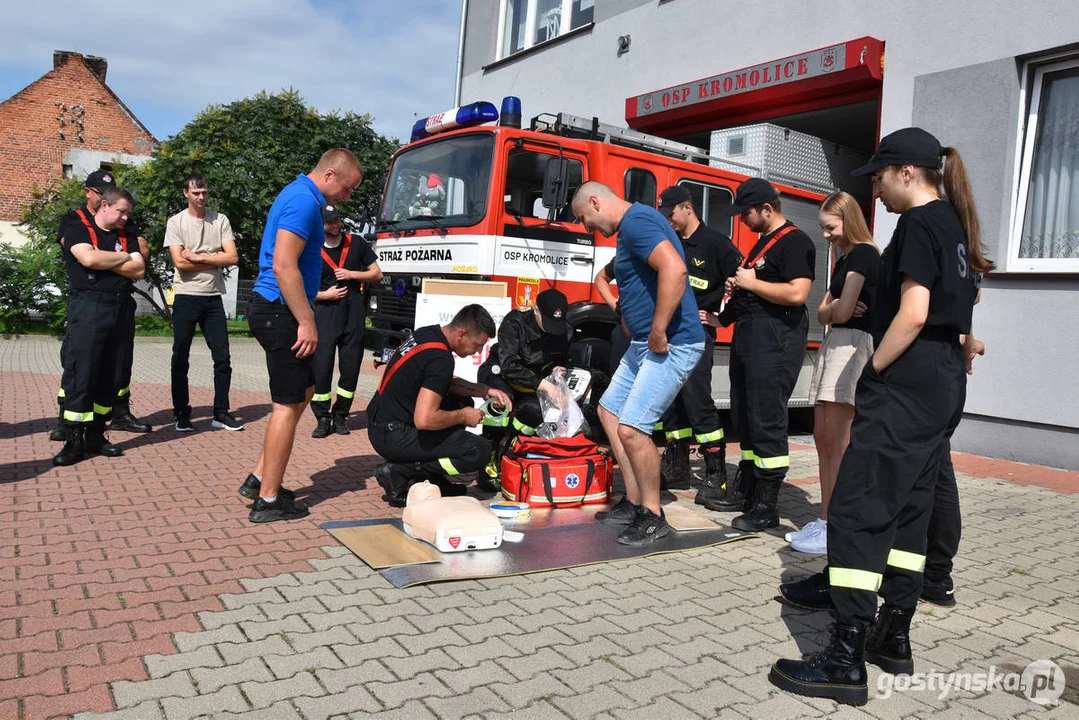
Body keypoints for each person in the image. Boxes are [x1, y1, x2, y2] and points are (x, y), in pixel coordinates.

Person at [769, 128, 993, 706]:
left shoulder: (920, 224)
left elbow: (914, 313)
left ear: (908, 173)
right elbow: (962, 312)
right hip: (941, 383)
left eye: (880, 177)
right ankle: (893, 634)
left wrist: (875, 374)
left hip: (909, 380)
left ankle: (844, 657)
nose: (876, 189)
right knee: (909, 510)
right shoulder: (956, 225)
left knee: (859, 509)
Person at [571, 181, 704, 546]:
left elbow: (674, 270)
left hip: (671, 343)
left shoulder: (638, 222)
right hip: (644, 343)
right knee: (609, 413)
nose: (588, 228)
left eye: (585, 219)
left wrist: (659, 328)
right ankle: (632, 503)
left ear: (595, 201)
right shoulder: (630, 227)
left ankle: (652, 514)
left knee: (632, 428)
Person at [236, 149, 364, 523]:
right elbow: (283, 264)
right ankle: (268, 500)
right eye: (347, 187)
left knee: (304, 393)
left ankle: (259, 478)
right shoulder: (304, 202)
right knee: (287, 405)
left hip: (280, 309)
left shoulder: (300, 196)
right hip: (280, 310)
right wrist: (306, 321)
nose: (347, 196)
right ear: (329, 174)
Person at [702, 179, 815, 533]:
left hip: (775, 341)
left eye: (747, 214)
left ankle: (767, 505)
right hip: (749, 338)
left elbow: (797, 293)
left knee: (766, 418)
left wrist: (751, 283)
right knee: (745, 415)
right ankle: (748, 492)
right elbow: (748, 293)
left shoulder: (796, 242)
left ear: (767, 209)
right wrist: (723, 315)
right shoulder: (758, 246)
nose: (744, 221)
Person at [786, 191, 879, 555]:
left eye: (830, 227)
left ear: (849, 219)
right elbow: (824, 311)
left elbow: (835, 313)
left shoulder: (864, 254)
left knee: (838, 442)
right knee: (824, 439)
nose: (825, 234)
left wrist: (835, 308)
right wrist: (835, 307)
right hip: (836, 344)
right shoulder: (844, 259)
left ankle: (836, 525)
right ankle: (826, 519)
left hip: (853, 346)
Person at [367, 305, 512, 507]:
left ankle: (431, 478)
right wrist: (464, 416)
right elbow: (424, 419)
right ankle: (400, 472)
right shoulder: (440, 358)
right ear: (462, 334)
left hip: (380, 422)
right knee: (478, 451)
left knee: (462, 401)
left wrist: (484, 390)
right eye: (478, 345)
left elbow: (440, 382)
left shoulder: (428, 334)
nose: (478, 351)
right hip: (393, 434)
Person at [50, 170, 152, 441]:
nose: (102, 196)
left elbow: (141, 260)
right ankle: (67, 424)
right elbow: (87, 259)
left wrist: (103, 259)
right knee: (80, 367)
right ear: (89, 193)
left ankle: (109, 421)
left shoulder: (124, 225)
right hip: (88, 304)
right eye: (98, 193)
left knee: (116, 368)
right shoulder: (74, 222)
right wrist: (119, 258)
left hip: (119, 306)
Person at [655, 185, 742, 501]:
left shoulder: (716, 244)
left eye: (672, 213)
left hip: (697, 335)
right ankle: (676, 468)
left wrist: (722, 317)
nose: (670, 220)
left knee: (696, 400)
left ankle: (715, 474)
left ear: (687, 207)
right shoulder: (671, 243)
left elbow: (743, 282)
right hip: (669, 333)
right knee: (671, 401)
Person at [164, 172, 243, 432]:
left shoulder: (219, 220)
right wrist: (214, 256)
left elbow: (232, 258)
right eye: (196, 192)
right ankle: (181, 414)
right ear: (186, 193)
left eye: (205, 192)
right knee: (180, 357)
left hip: (213, 298)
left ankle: (221, 412)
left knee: (223, 358)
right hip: (186, 296)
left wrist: (198, 256)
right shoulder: (176, 222)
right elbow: (179, 263)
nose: (201, 197)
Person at [475, 288, 571, 484]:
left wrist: (559, 369)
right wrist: (543, 384)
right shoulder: (514, 323)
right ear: (535, 310)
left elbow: (560, 359)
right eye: (548, 322)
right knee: (501, 406)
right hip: (501, 375)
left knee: (535, 412)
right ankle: (488, 462)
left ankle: (513, 451)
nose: (552, 329)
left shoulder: (564, 330)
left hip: (534, 383)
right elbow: (509, 366)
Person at [309, 204, 382, 438]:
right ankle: (322, 417)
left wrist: (352, 275)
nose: (334, 224)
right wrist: (324, 295)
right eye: (329, 221)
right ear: (319, 225)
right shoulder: (310, 249)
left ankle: (341, 416)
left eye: (337, 220)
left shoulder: (357, 243)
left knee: (350, 368)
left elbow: (377, 273)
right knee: (321, 368)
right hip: (325, 313)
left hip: (353, 312)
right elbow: (300, 286)